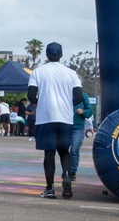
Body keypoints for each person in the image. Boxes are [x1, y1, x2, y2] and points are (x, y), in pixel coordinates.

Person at [27, 42, 82, 199]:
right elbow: (78, 97)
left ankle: (50, 188)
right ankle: (66, 174)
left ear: (46, 55)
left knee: (49, 153)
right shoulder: (71, 73)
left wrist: (42, 101)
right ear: (61, 55)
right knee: (64, 151)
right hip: (65, 118)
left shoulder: (38, 72)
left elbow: (31, 96)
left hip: (45, 118)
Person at [69, 92, 93, 181]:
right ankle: (65, 171)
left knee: (74, 150)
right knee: (63, 149)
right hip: (65, 126)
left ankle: (72, 172)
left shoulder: (83, 96)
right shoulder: (64, 92)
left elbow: (90, 112)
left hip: (78, 127)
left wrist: (83, 111)